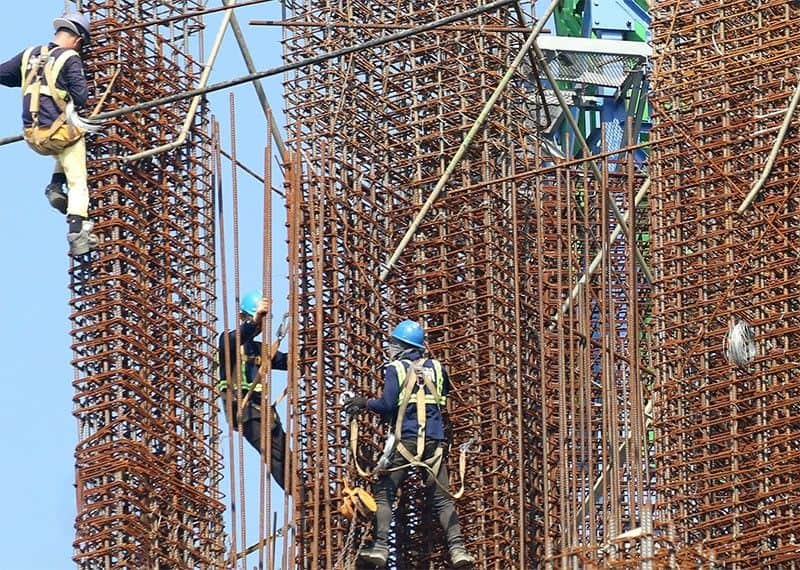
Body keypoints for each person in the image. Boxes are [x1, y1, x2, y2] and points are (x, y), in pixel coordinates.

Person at [344, 319, 475, 568]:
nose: (391, 347)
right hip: (433, 444)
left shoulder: (396, 368)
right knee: (444, 500)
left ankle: (380, 548)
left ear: (403, 346)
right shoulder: (437, 368)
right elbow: (443, 397)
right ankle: (458, 550)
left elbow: (387, 405)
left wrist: (363, 403)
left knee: (385, 493)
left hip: (406, 441)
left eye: (394, 343)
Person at [0, 12, 98, 256]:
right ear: (78, 40)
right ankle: (78, 232)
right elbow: (82, 97)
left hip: (33, 136)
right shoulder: (70, 57)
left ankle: (55, 186)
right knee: (77, 167)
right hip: (56, 134)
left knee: (64, 140)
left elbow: (3, 74)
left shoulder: (30, 54)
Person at [217, 289, 289, 490]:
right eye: (258, 321)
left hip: (262, 411)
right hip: (242, 410)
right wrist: (255, 319)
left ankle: (306, 494)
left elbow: (288, 361)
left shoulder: (259, 350)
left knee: (285, 454)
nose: (261, 326)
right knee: (274, 454)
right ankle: (300, 495)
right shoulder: (227, 341)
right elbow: (238, 337)